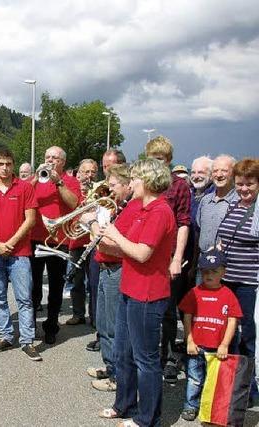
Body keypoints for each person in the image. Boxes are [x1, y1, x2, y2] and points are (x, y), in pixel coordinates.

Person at [98, 158, 176, 427]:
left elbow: (142, 253)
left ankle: (147, 419)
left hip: (148, 294)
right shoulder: (142, 208)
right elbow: (123, 249)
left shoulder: (160, 211)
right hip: (130, 289)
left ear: (149, 181)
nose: (130, 183)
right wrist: (100, 233)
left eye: (135, 179)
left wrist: (113, 235)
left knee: (146, 360)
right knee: (123, 353)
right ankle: (124, 404)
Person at [0, 148, 40, 361]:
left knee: (24, 299)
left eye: (8, 164)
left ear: (13, 165)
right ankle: (5, 335)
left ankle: (27, 340)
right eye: (1, 164)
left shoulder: (24, 187)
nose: (5, 168)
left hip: (20, 253)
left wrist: (11, 243)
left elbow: (31, 219)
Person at [83, 164, 135, 393]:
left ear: (126, 185)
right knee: (103, 323)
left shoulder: (131, 209)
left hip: (116, 269)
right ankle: (109, 365)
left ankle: (117, 376)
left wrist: (91, 223)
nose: (109, 190)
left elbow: (116, 246)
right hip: (105, 268)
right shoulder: (117, 208)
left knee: (114, 326)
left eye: (113, 186)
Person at [145, 136, 192, 384]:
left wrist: (177, 258)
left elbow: (184, 223)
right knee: (148, 309)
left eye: (161, 159)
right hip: (146, 254)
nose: (157, 163)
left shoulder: (179, 186)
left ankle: (170, 356)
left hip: (169, 255)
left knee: (168, 311)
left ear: (169, 160)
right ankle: (150, 355)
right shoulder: (145, 184)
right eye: (152, 159)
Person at [178, 248, 242, 421]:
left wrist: (225, 344)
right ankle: (191, 406)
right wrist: (189, 340)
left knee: (214, 380)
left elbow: (232, 321)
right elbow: (187, 316)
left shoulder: (228, 295)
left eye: (214, 271)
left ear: (223, 272)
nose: (209, 275)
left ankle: (212, 408)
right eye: (205, 271)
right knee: (194, 378)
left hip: (217, 348)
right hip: (197, 347)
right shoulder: (194, 293)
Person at [217, 157, 259, 403]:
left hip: (247, 283)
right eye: (240, 184)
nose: (244, 189)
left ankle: (248, 388)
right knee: (227, 335)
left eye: (250, 184)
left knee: (245, 336)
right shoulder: (234, 205)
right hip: (226, 281)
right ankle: (230, 384)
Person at [29, 146, 81, 344]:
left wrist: (58, 182)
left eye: (55, 158)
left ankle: (51, 325)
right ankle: (30, 324)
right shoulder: (38, 179)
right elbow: (25, 195)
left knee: (56, 287)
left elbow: (74, 203)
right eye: (47, 157)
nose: (50, 161)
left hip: (59, 241)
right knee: (32, 286)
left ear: (63, 162)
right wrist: (36, 177)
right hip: (35, 238)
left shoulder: (69, 181)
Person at [195, 155, 237, 282]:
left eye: (224, 171)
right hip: (203, 264)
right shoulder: (205, 201)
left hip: (227, 267)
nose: (219, 175)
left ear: (234, 173)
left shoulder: (239, 202)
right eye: (215, 171)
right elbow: (199, 228)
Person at [67, 158, 98, 326]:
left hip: (94, 242)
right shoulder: (72, 190)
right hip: (76, 241)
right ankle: (78, 313)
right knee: (77, 281)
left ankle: (94, 316)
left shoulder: (100, 191)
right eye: (86, 172)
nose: (89, 175)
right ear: (78, 174)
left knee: (94, 282)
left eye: (93, 172)